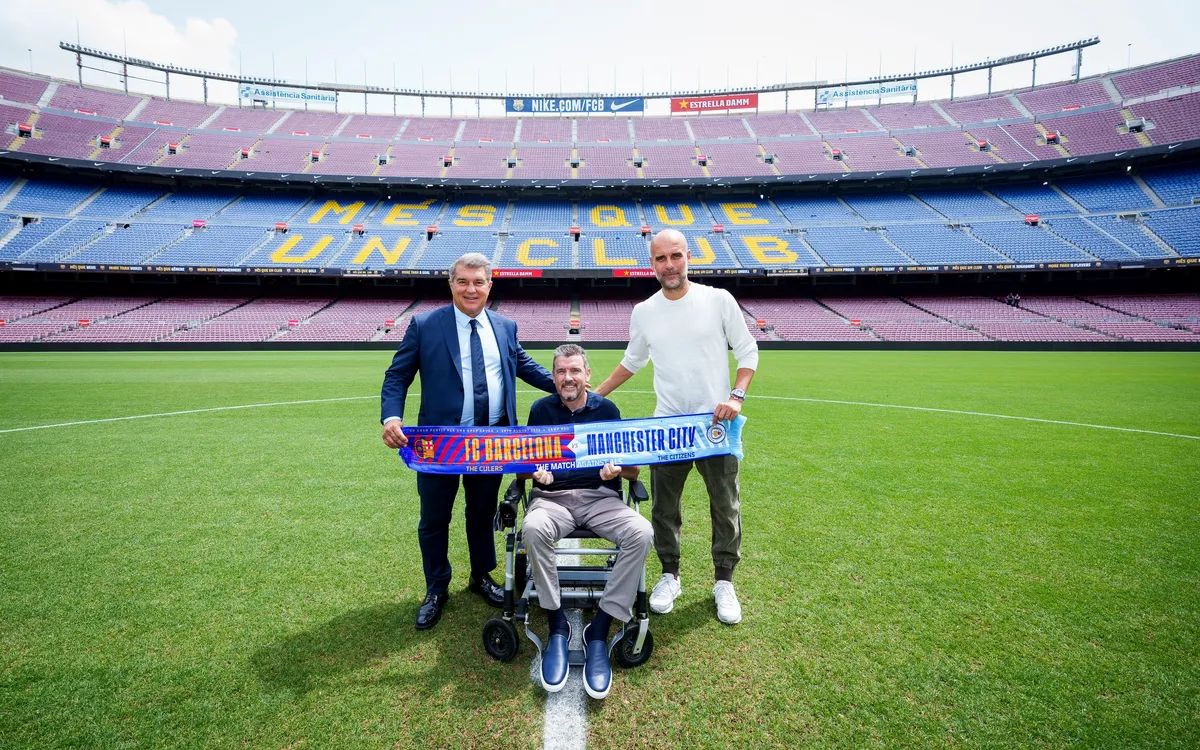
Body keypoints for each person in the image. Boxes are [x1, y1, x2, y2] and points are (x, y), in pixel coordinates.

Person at [381, 252, 555, 630]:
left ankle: (481, 576)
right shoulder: (425, 325)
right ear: (451, 284)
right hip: (439, 445)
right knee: (434, 518)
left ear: (490, 285)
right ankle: (436, 588)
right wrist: (391, 417)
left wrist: (562, 382)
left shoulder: (506, 326)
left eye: (478, 282)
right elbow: (397, 376)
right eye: (463, 281)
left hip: (490, 441)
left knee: (481, 514)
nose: (471, 289)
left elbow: (523, 365)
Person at [594, 228, 759, 625]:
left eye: (676, 256)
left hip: (715, 426)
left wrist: (736, 396)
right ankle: (670, 574)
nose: (669, 265)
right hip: (667, 427)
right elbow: (633, 361)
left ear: (689, 257)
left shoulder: (718, 300)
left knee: (725, 505)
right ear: (651, 265)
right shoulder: (644, 311)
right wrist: (594, 396)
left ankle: (724, 581)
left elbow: (747, 350)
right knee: (665, 508)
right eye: (660, 259)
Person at [524, 344, 652, 700]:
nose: (568, 378)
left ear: (587, 375)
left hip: (600, 498)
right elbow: (523, 465)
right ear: (553, 377)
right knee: (532, 529)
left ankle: (600, 629)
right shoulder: (541, 409)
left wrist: (619, 469)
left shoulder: (607, 409)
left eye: (575, 371)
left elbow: (633, 469)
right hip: (553, 500)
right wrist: (535, 472)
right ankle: (556, 624)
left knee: (641, 532)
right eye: (562, 372)